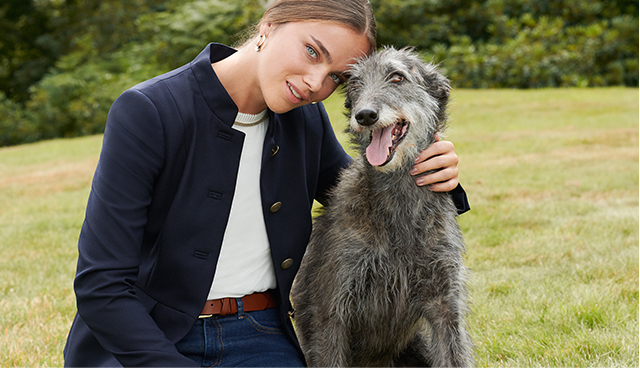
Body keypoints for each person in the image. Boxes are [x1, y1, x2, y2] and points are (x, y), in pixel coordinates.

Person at [63, 0, 469, 366]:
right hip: (146, 341)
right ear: (270, 25)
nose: (315, 83)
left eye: (335, 77)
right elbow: (101, 285)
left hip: (257, 336)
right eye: (312, 51)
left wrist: (439, 174)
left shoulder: (306, 121)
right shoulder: (149, 111)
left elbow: (365, 194)